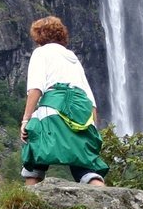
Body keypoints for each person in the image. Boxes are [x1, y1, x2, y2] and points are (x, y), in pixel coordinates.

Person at [19, 15, 107, 186]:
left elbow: (36, 88)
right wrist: (93, 130)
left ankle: (28, 204)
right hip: (81, 113)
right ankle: (108, 203)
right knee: (85, 164)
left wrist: (26, 119)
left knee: (35, 155)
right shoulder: (72, 58)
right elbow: (90, 99)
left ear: (39, 36)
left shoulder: (41, 53)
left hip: (54, 108)